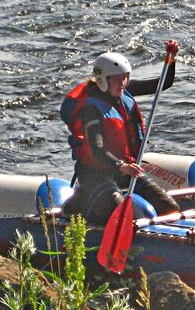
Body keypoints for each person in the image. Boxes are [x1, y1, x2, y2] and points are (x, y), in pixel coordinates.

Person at [59, 41, 180, 225]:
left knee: (169, 208)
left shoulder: (124, 91)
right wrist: (121, 165)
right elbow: (97, 148)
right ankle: (79, 204)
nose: (123, 82)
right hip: (95, 174)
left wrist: (171, 59)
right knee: (126, 217)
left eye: (125, 77)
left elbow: (164, 83)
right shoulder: (91, 109)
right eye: (117, 78)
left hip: (124, 172)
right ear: (103, 80)